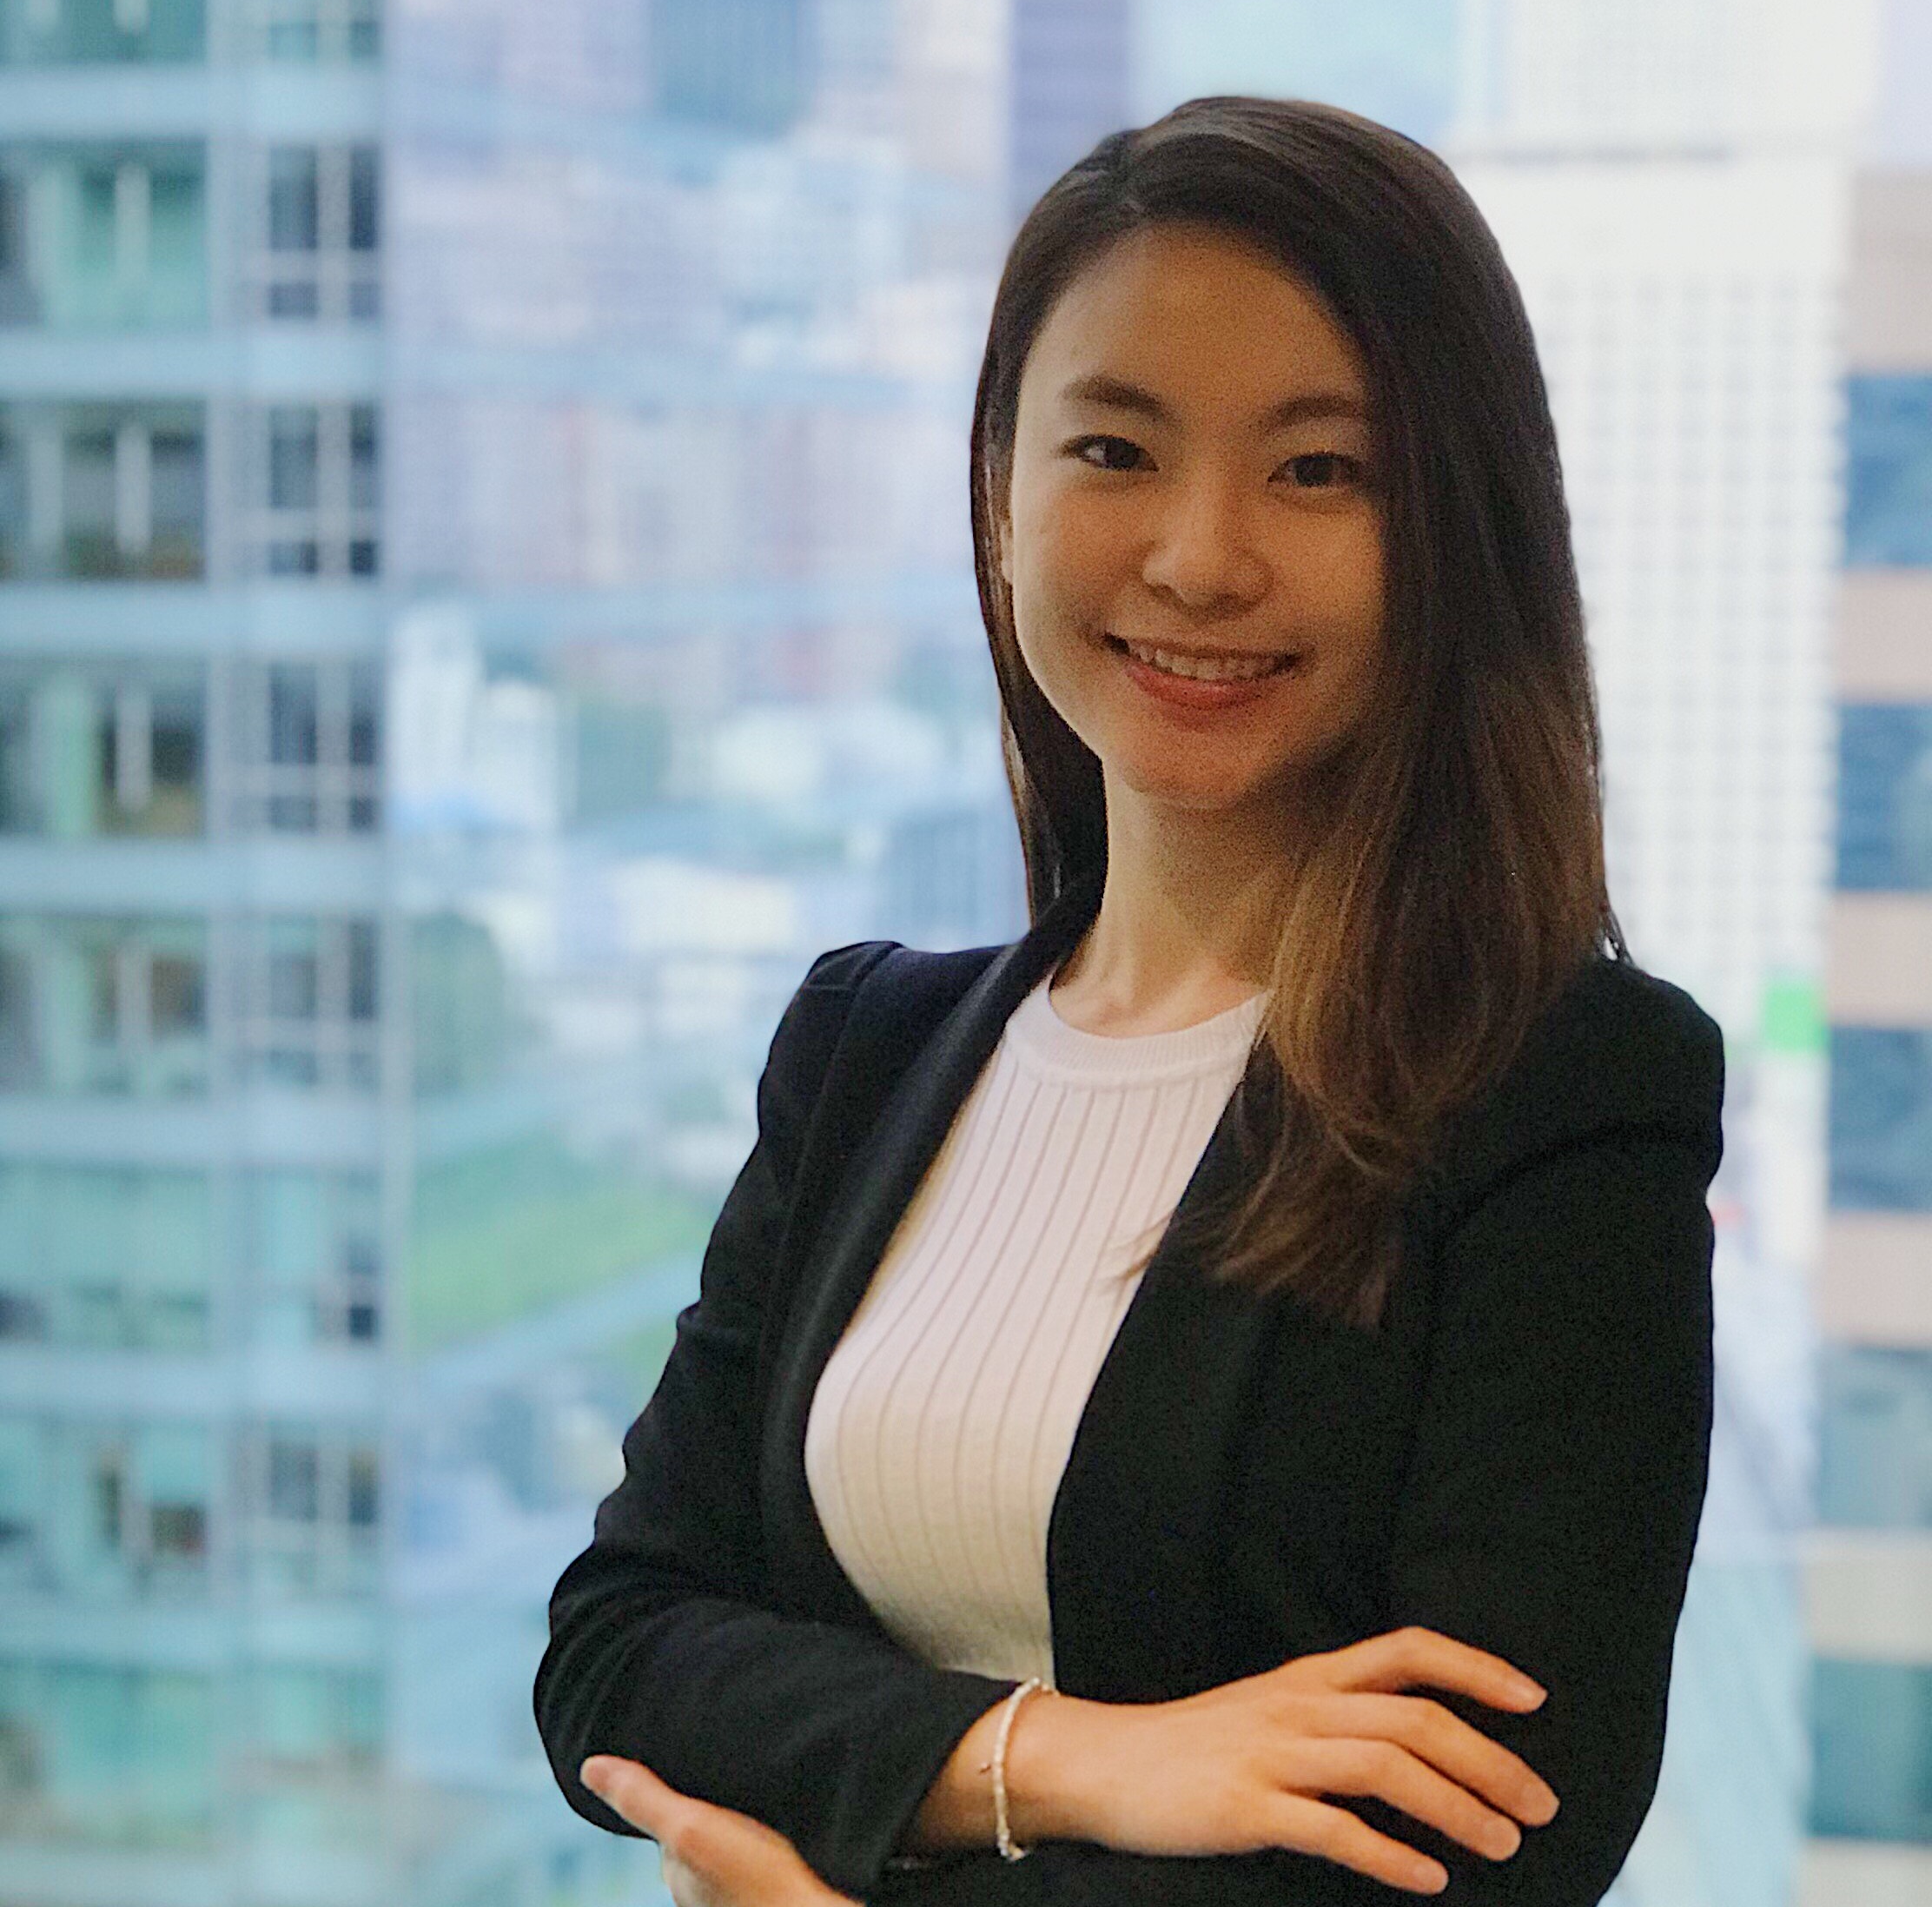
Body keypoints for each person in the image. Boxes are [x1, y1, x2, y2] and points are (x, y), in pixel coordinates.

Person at [533, 96, 1724, 1907]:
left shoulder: (1559, 1095)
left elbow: (1482, 1839)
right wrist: (1071, 1755)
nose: (1196, 556)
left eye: (1317, 470)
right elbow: (620, 1652)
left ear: (1450, 535)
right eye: (1113, 448)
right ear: (1000, 491)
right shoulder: (862, 1048)